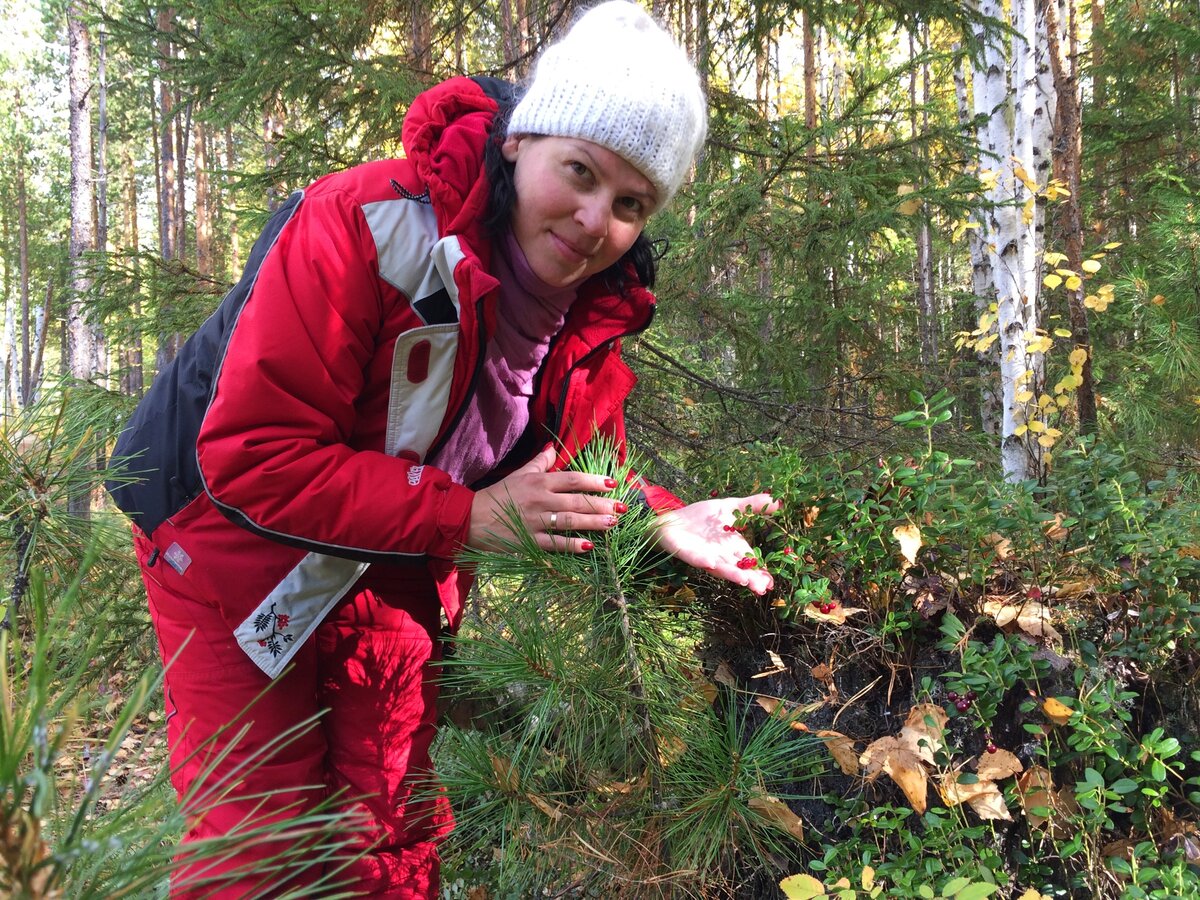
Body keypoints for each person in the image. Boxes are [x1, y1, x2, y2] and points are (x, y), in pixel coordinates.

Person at [108, 2, 777, 896]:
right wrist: (465, 515)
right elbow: (254, 454)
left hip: (390, 565)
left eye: (629, 203)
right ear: (519, 142)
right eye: (578, 172)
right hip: (230, 547)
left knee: (389, 827)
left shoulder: (585, 313)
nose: (592, 219)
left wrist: (659, 516)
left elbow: (570, 470)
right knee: (261, 845)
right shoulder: (363, 223)